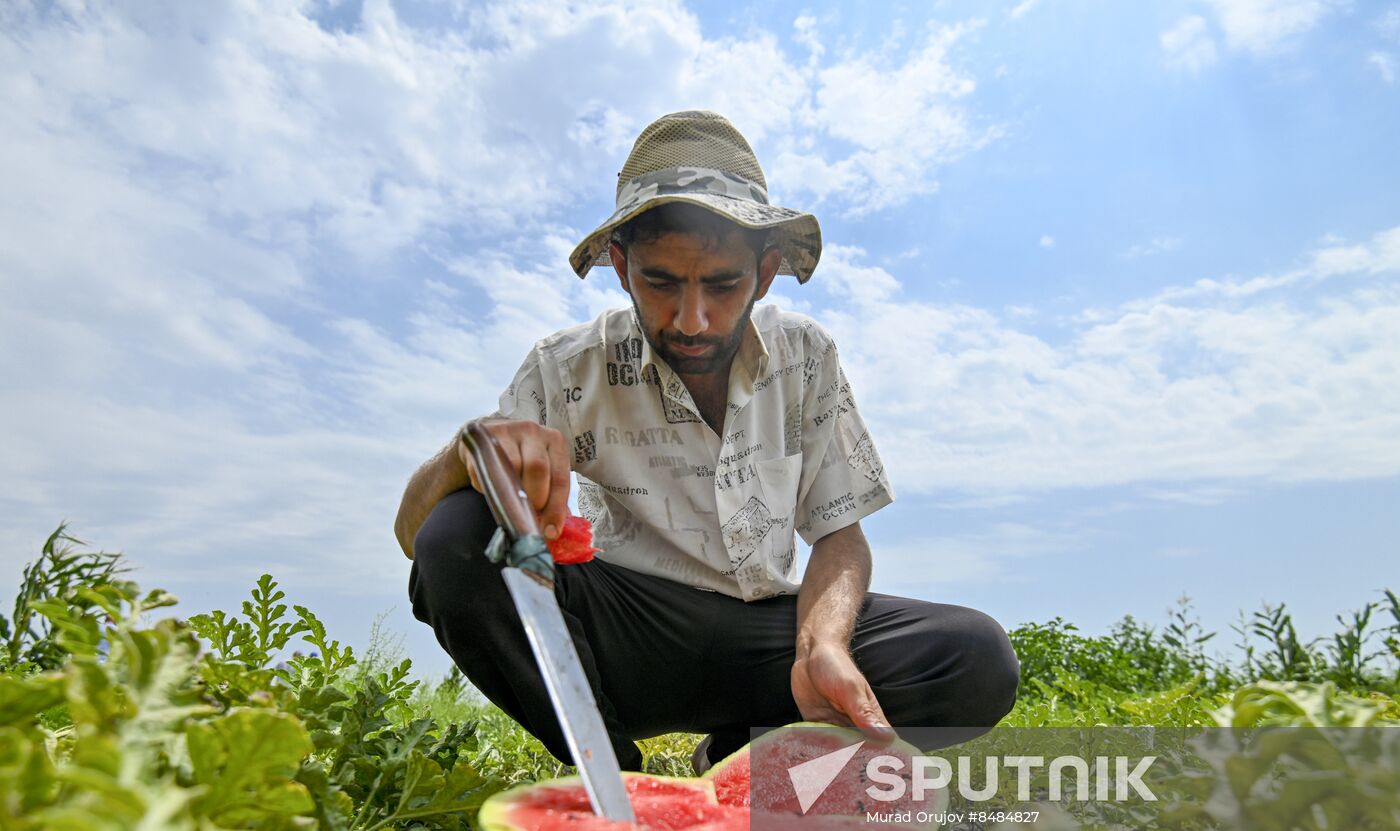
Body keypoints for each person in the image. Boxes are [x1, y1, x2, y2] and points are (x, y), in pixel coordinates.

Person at [395, 111, 1019, 773]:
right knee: (456, 531)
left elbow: (839, 533)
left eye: (722, 285)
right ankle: (613, 779)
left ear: (767, 272)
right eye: (660, 282)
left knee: (974, 654)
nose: (691, 320)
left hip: (771, 646)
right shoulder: (567, 368)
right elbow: (417, 539)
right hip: (627, 636)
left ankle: (745, 756)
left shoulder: (805, 355)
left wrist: (822, 641)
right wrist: (469, 454)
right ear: (619, 265)